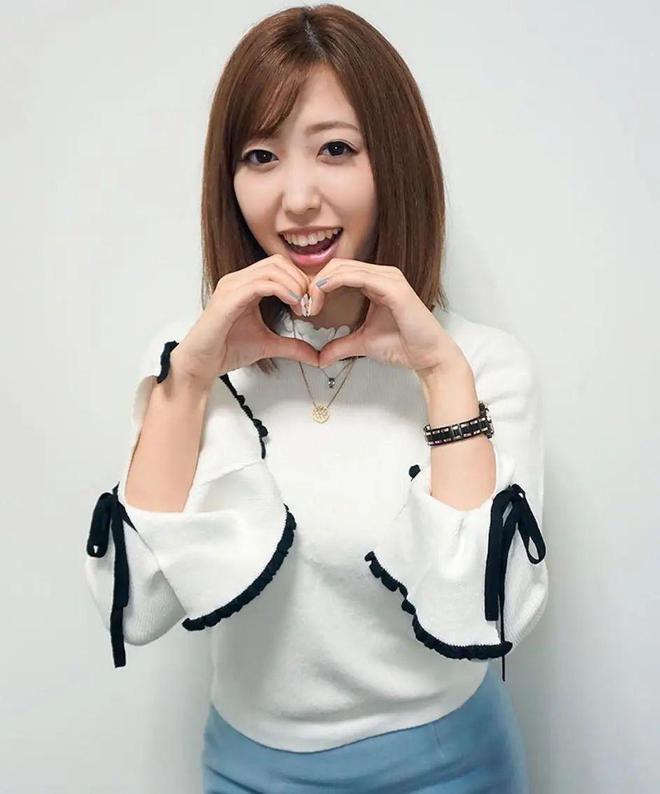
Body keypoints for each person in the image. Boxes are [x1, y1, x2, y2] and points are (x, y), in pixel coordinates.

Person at [85, 5, 548, 792]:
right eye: (260, 156)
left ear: (392, 161)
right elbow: (132, 610)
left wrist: (441, 376)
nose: (297, 198)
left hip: (450, 768)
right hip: (247, 769)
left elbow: (486, 614)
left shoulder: (481, 365)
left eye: (336, 149)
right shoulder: (189, 362)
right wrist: (187, 385)